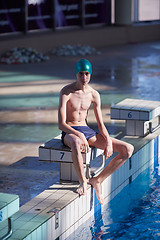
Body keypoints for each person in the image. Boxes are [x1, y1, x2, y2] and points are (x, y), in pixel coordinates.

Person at [58, 59, 134, 204]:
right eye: (81, 73)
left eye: (87, 74)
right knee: (75, 142)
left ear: (90, 75)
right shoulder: (66, 92)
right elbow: (61, 124)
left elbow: (100, 123)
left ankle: (97, 180)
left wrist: (108, 141)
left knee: (127, 149)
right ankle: (83, 182)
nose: (84, 77)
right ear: (76, 74)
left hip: (87, 131)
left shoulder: (94, 94)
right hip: (70, 132)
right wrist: (78, 134)